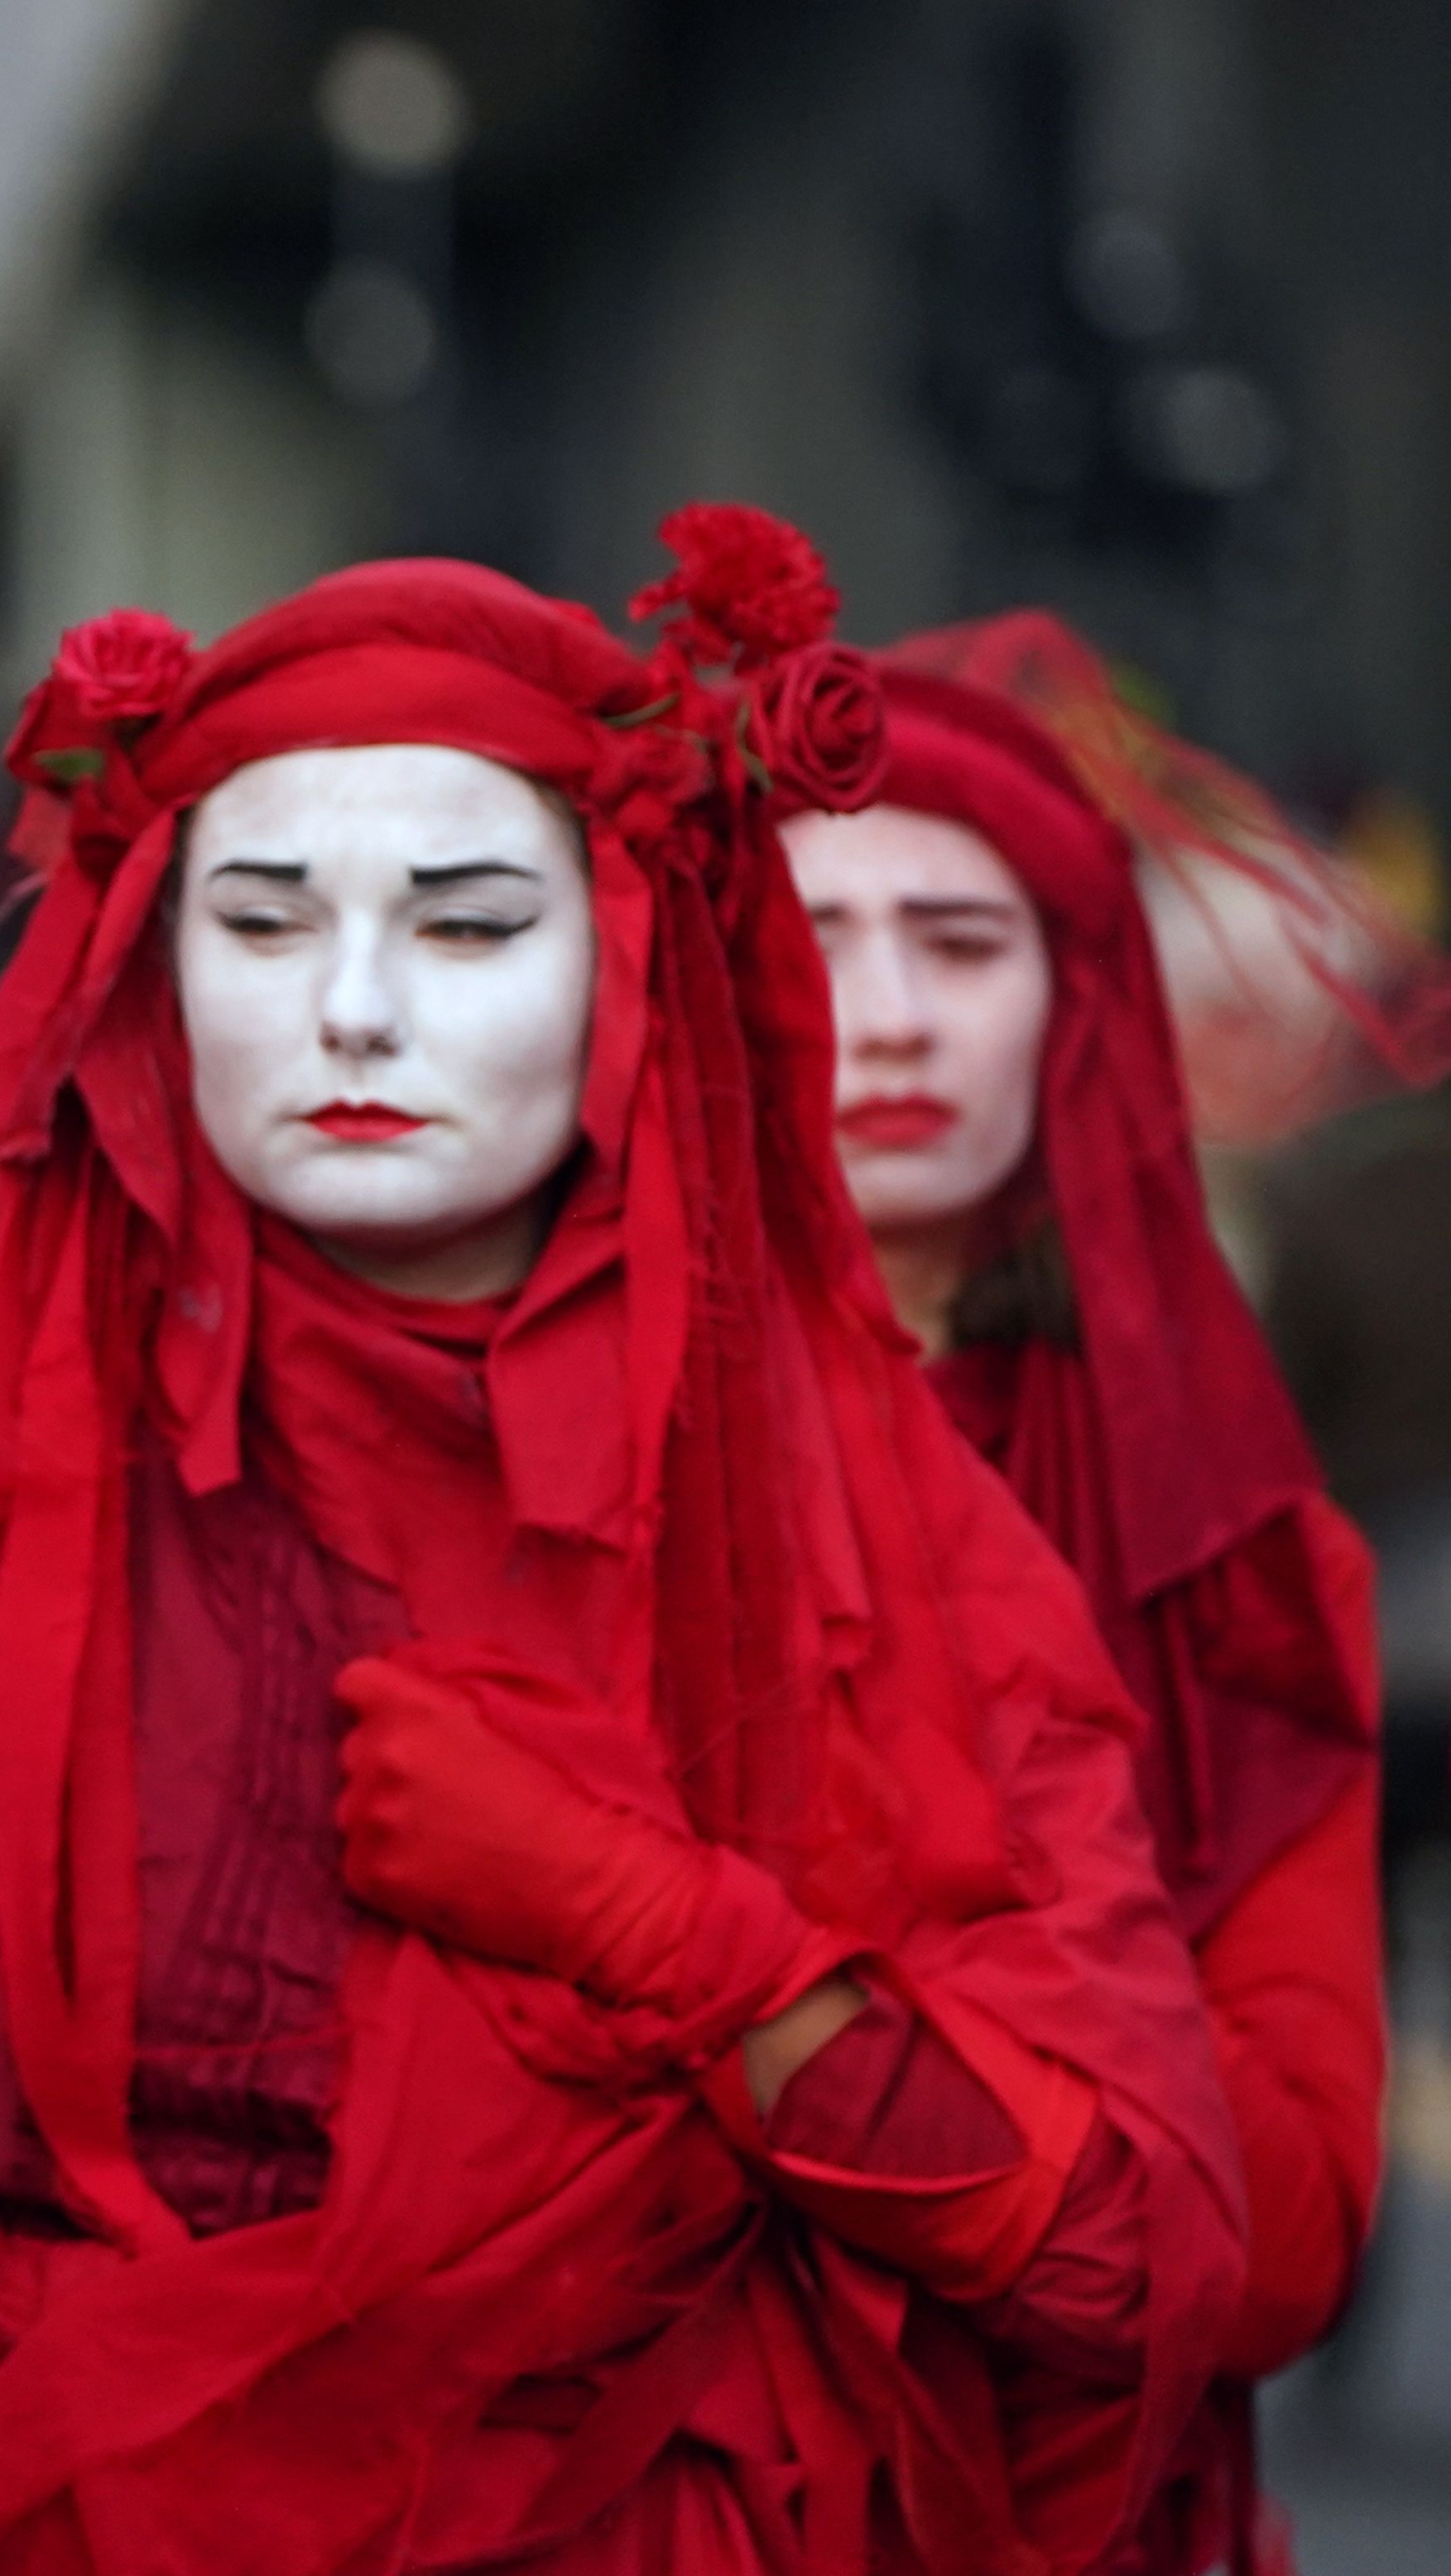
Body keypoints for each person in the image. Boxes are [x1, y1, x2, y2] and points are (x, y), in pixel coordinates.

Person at [0, 523, 1237, 2572]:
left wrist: (662, 1934)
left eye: (463, 926)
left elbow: (1132, 2253)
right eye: (261, 922)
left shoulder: (871, 1527)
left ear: (631, 959)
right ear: (150, 980)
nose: (354, 1010)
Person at [790, 619, 1409, 2574]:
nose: (882, 1015)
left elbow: (1282, 2227)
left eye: (960, 945)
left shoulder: (1223, 1536)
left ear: (1076, 997)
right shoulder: (549, 1467)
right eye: (808, 943)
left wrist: (754, 2008)